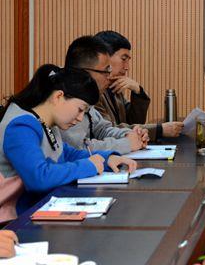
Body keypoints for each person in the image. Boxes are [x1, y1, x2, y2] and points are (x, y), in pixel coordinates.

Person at [0, 65, 137, 222]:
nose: (80, 118)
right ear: (59, 96)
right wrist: (89, 165)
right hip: (9, 222)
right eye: (80, 109)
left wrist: (106, 159)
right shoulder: (21, 126)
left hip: (32, 210)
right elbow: (38, 178)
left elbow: (65, 153)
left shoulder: (45, 122)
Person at [58, 36, 147, 154]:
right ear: (85, 72)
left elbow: (102, 129)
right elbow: (77, 149)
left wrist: (130, 135)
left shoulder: (86, 96)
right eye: (105, 72)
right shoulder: (65, 98)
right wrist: (126, 144)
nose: (109, 77)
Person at [94, 31, 183, 140]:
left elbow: (134, 122)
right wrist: (159, 130)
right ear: (104, 57)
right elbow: (109, 131)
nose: (127, 67)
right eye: (123, 59)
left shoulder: (114, 86)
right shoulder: (92, 90)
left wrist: (138, 92)